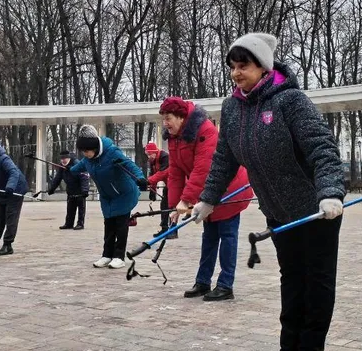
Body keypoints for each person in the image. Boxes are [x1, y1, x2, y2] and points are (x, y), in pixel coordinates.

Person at [197, 33, 346, 350]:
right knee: (291, 281)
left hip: (317, 211)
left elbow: (323, 150)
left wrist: (331, 192)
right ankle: (288, 344)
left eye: (244, 66)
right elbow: (224, 159)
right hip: (279, 214)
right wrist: (207, 199)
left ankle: (311, 345)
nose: (237, 73)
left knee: (316, 284)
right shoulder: (232, 108)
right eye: (233, 67)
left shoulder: (290, 101)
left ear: (264, 68)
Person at [160, 97, 254, 302]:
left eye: (168, 118)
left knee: (227, 236)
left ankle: (225, 285)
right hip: (207, 195)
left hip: (229, 191)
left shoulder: (205, 131)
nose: (165, 123)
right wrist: (173, 207)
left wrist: (186, 201)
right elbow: (175, 172)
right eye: (163, 119)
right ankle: (203, 282)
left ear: (181, 117)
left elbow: (203, 170)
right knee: (209, 237)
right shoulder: (174, 138)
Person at [69, 125, 147, 270]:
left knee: (121, 225)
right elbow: (78, 167)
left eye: (87, 151)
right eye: (83, 152)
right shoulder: (88, 159)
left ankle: (119, 257)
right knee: (109, 225)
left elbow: (130, 164)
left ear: (95, 148)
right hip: (108, 197)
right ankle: (107, 255)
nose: (85, 154)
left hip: (123, 193)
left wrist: (140, 178)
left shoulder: (112, 153)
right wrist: (69, 170)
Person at [47, 149, 89, 230]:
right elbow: (57, 178)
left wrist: (85, 190)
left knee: (81, 209)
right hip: (70, 191)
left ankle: (80, 223)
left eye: (65, 159)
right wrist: (52, 188)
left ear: (69, 158)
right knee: (70, 209)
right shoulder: (62, 167)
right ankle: (69, 223)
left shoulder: (77, 164)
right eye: (61, 159)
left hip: (80, 191)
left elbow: (84, 177)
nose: (63, 160)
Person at [145, 142, 174, 239]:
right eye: (147, 154)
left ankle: (173, 230)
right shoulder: (152, 161)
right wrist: (152, 190)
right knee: (164, 205)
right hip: (168, 184)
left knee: (171, 207)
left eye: (150, 154)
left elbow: (162, 173)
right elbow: (153, 174)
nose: (149, 156)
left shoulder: (164, 157)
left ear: (155, 152)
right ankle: (165, 229)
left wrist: (148, 181)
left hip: (174, 182)